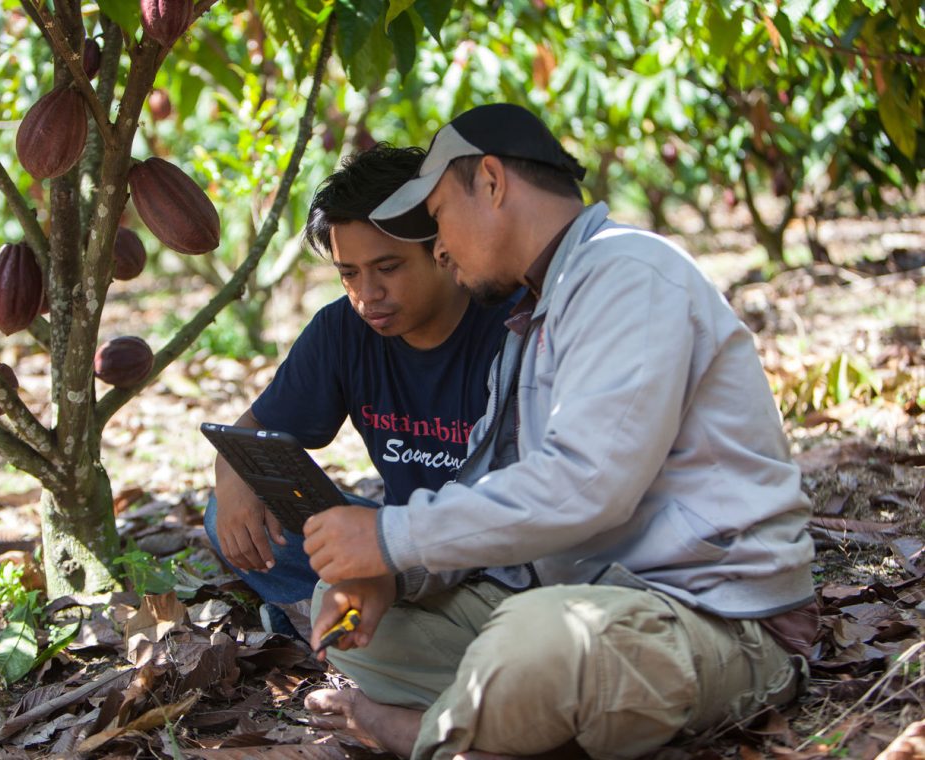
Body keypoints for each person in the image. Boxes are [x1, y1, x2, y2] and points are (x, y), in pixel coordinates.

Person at [300, 103, 818, 760]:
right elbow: (491, 491)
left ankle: (420, 732)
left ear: (490, 181)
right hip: (589, 597)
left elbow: (587, 486)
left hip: (716, 618)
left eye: (437, 219)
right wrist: (392, 574)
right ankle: (504, 724)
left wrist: (387, 534)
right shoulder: (537, 315)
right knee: (356, 612)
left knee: (540, 639)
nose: (438, 248)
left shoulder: (626, 272)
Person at [204, 143, 514, 635]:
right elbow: (251, 433)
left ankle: (337, 628)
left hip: (496, 548)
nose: (368, 295)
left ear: (442, 247)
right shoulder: (342, 331)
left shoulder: (514, 328)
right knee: (231, 509)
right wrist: (232, 476)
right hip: (395, 543)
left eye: (388, 268)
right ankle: (338, 621)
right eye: (349, 273)